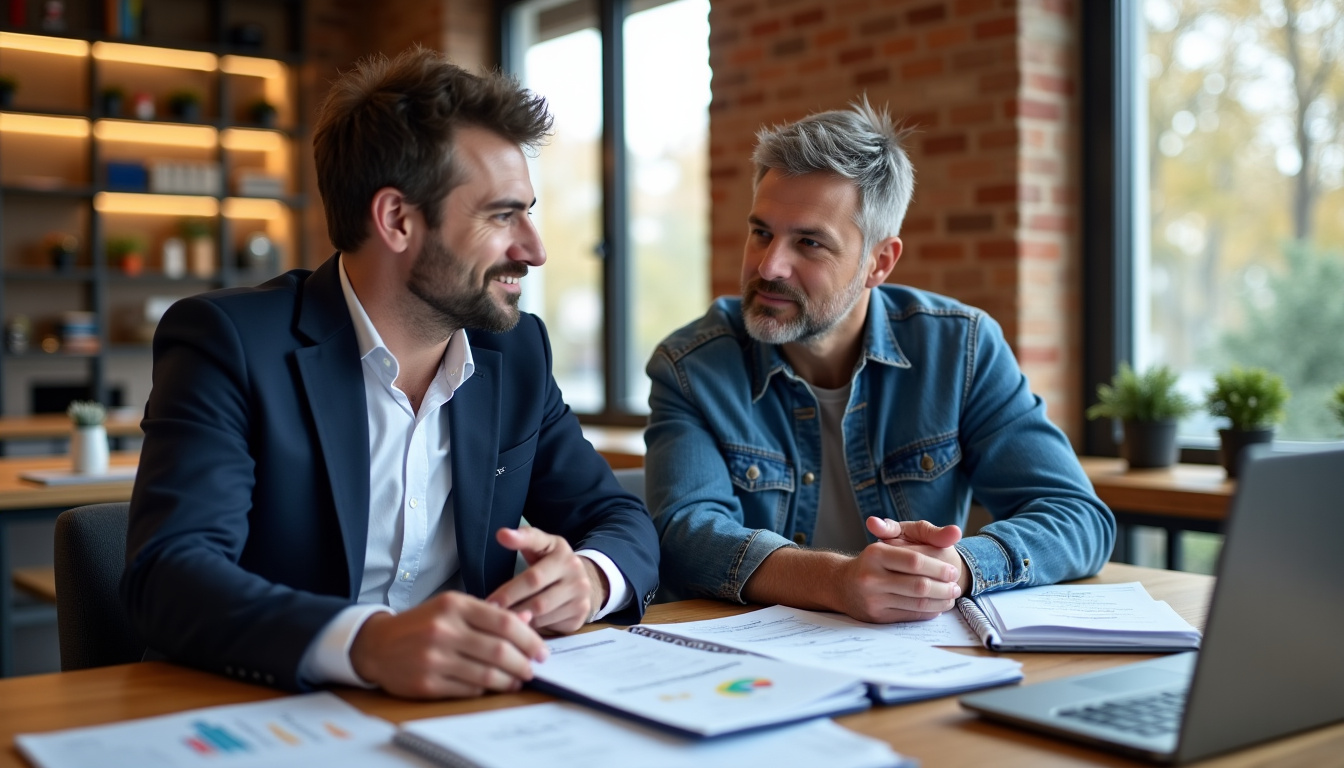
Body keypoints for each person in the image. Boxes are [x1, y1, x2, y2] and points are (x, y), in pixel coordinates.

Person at [122, 47, 660, 699]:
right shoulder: (228, 343)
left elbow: (615, 517)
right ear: (398, 220)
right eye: (501, 215)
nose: (535, 249)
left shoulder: (516, 353)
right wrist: (366, 642)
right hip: (267, 711)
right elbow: (170, 577)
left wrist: (593, 578)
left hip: (469, 712)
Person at [645, 100, 1113, 623]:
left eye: (809, 242)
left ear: (879, 262)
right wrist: (837, 582)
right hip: (756, 665)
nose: (770, 265)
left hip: (920, 659)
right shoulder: (691, 366)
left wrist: (954, 567)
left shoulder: (961, 349)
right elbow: (685, 534)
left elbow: (1077, 518)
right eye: (761, 232)